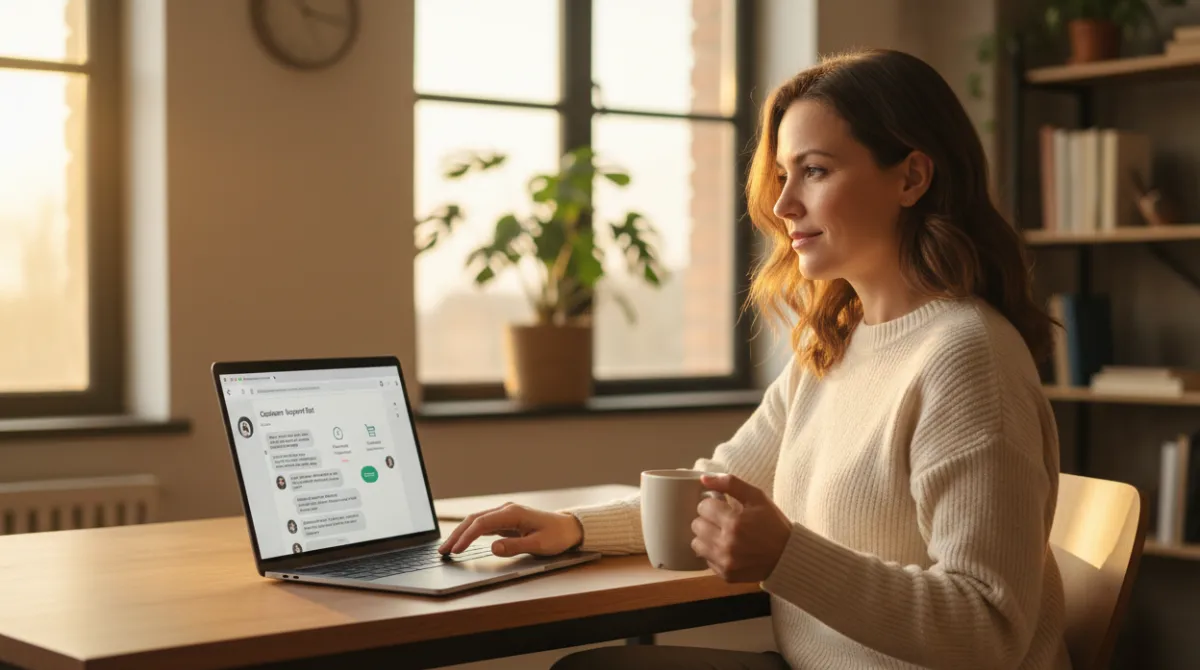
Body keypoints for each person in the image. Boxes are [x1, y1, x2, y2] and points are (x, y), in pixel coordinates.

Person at [439, 49, 1070, 670]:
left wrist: (787, 557)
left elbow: (989, 630)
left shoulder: (967, 358)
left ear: (911, 177)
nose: (783, 204)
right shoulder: (834, 348)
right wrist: (572, 528)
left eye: (815, 171)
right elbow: (711, 492)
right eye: (783, 176)